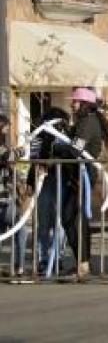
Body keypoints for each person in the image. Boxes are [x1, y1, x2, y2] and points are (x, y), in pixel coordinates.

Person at [58, 87, 108, 280]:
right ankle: (82, 263)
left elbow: (76, 149)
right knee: (72, 219)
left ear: (84, 104)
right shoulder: (84, 121)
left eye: (75, 102)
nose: (72, 104)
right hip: (78, 176)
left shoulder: (88, 122)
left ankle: (83, 264)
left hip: (83, 175)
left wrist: (57, 148)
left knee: (73, 219)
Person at [27, 107, 71, 276]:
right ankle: (44, 258)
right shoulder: (38, 136)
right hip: (44, 181)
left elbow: (70, 156)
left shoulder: (65, 136)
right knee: (44, 222)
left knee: (58, 222)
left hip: (60, 180)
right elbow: (34, 159)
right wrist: (32, 180)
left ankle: (56, 257)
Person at [0, 115, 31, 276]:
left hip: (5, 198)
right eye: (5, 127)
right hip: (3, 199)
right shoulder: (2, 148)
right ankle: (19, 266)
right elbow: (8, 156)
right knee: (19, 229)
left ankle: (18, 266)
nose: (6, 131)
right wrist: (24, 148)